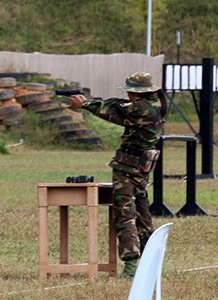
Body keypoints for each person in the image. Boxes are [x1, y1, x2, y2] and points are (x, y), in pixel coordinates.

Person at [68, 72, 167, 278]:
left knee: (124, 216)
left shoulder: (141, 108)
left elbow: (113, 111)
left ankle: (131, 267)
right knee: (142, 214)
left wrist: (85, 104)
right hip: (139, 168)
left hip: (128, 168)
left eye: (131, 92)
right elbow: (119, 107)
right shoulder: (155, 103)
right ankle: (152, 260)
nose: (129, 95)